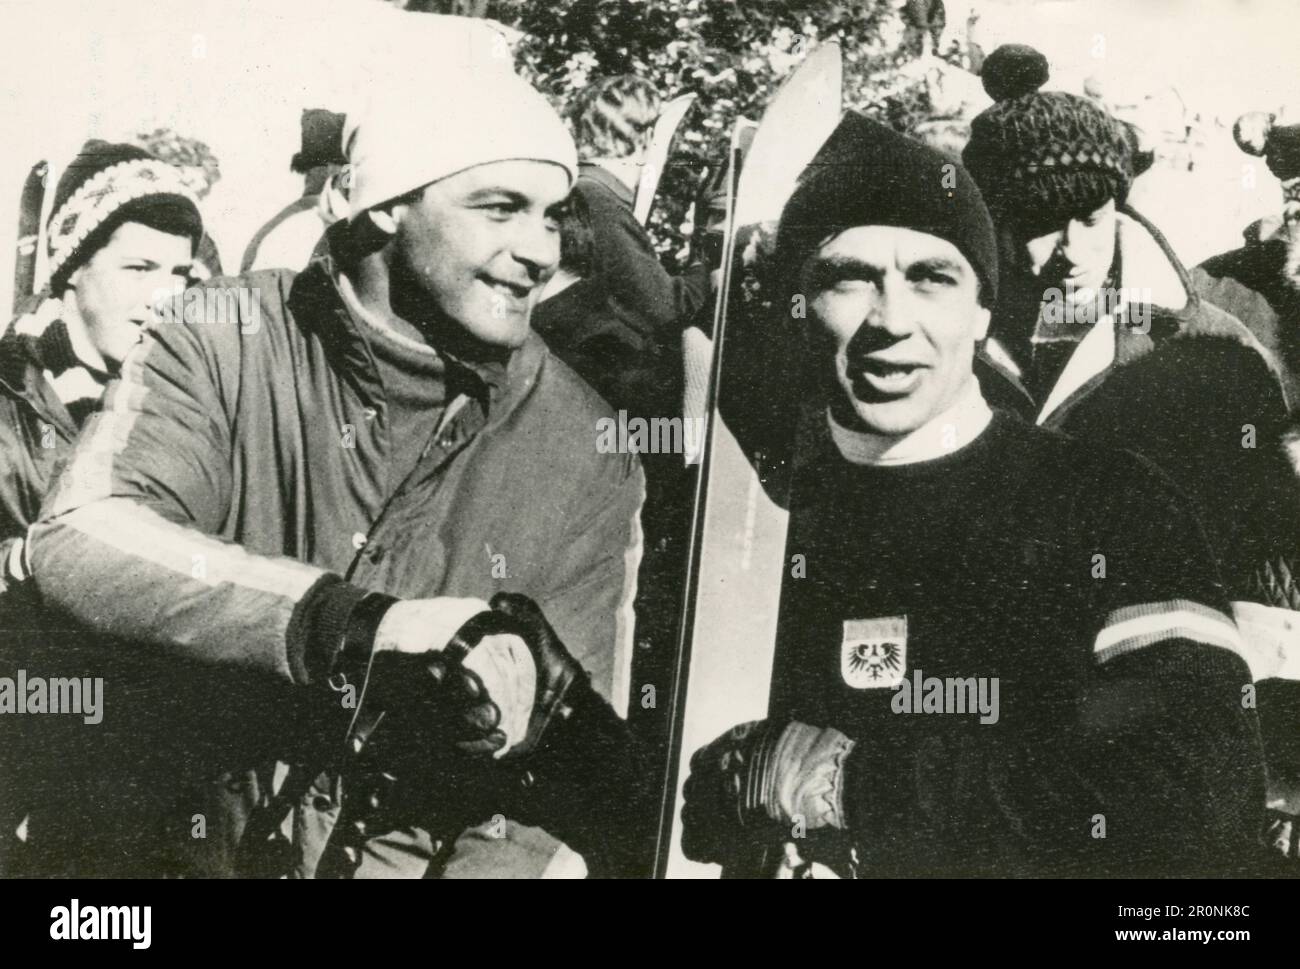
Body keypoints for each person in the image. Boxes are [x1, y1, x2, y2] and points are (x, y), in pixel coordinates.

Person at [22, 66, 649, 879]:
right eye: (500, 208)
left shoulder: (584, 439)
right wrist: (356, 626)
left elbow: (548, 799)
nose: (540, 250)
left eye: (552, 216)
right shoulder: (225, 336)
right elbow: (80, 537)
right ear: (386, 204)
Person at [679, 112, 1268, 877]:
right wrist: (553, 722)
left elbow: (1200, 797)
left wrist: (853, 786)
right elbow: (681, 801)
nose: (891, 320)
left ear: (983, 310)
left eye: (932, 277)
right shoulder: (754, 508)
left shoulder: (1107, 501)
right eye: (849, 278)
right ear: (799, 305)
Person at [0, 140, 204, 872]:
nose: (166, 296)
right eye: (139, 268)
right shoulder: (7, 406)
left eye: (181, 272)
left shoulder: (180, 407)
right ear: (73, 268)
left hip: (146, 774)